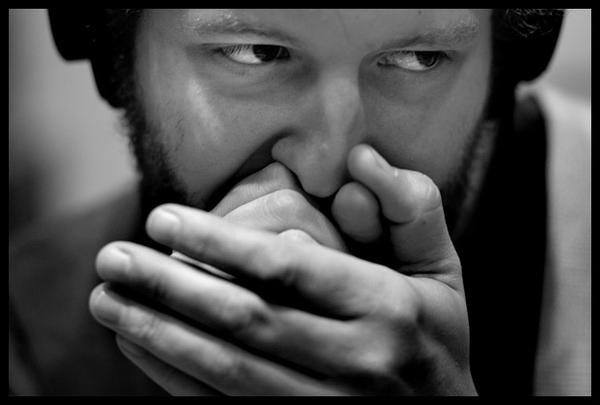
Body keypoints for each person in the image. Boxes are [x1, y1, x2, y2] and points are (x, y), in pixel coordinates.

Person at [8, 9, 590, 395]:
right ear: (113, 52)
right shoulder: (27, 338)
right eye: (255, 52)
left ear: (506, 66)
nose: (327, 167)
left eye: (419, 59)